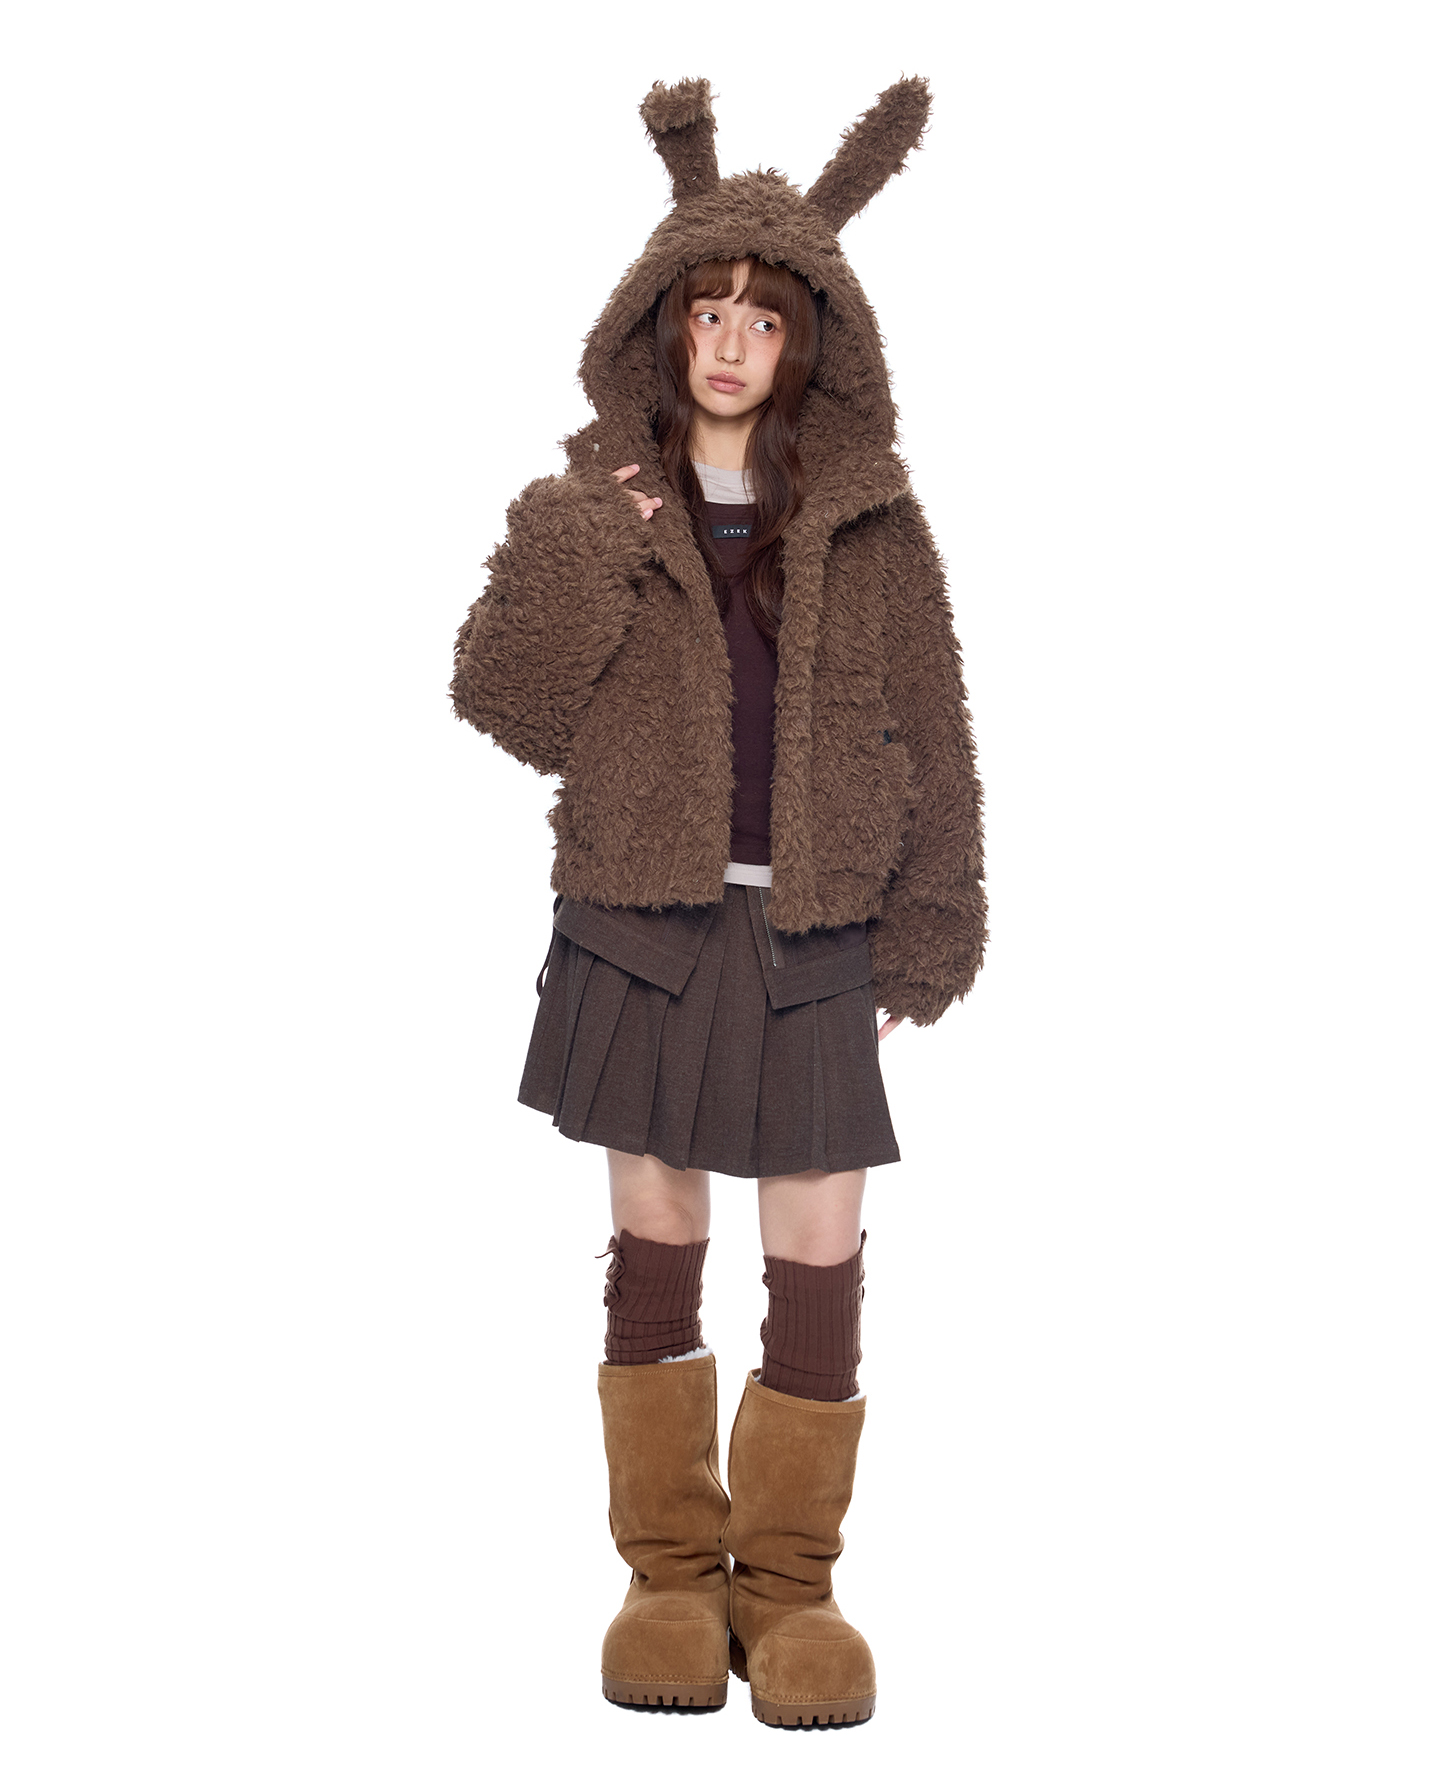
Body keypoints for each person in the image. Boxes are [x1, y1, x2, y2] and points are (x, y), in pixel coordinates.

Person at [449, 75, 986, 1728]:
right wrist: (579, 547)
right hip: (642, 913)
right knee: (657, 1232)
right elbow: (504, 703)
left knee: (818, 1240)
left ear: (806, 342)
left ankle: (795, 1587)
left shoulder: (871, 517)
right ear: (666, 325)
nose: (733, 342)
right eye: (708, 310)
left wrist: (934, 920)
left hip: (816, 920)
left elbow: (935, 720)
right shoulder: (594, 503)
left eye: (764, 316)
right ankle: (671, 1579)